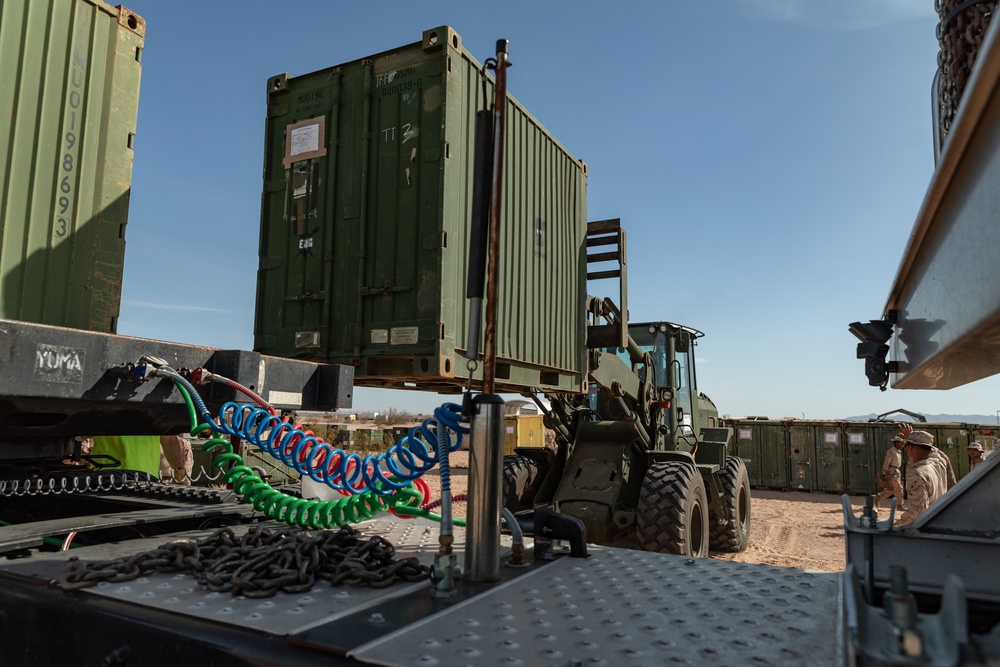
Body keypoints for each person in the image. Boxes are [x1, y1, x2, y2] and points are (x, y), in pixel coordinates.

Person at [896, 430, 948, 525]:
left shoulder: (916, 473)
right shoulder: (940, 463)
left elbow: (918, 511)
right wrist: (911, 438)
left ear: (910, 447)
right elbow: (933, 452)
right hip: (941, 520)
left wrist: (897, 525)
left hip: (928, 526)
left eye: (906, 446)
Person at [874, 435, 905, 508]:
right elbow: (887, 462)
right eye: (901, 443)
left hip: (896, 471)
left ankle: (878, 497)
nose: (902, 444)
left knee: (892, 489)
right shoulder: (891, 451)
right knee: (899, 488)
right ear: (897, 443)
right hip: (891, 471)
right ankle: (899, 505)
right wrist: (885, 472)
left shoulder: (898, 452)